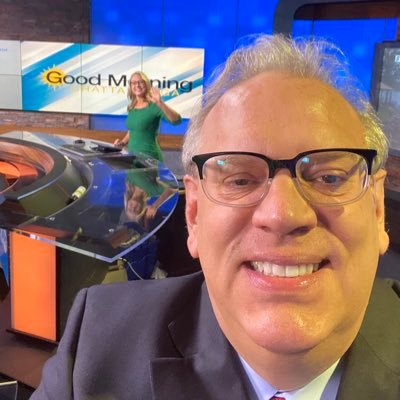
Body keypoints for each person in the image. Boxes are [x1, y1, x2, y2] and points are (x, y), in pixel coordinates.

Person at [31, 34, 399, 399]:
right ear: (193, 214)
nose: (283, 214)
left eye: (328, 178)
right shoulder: (97, 346)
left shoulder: (156, 106)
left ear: (377, 208)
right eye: (240, 180)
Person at [114, 71, 182, 161]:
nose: (137, 85)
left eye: (141, 82)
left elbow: (177, 121)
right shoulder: (132, 106)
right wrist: (122, 142)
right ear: (130, 86)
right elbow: (133, 131)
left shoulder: (154, 105)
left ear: (146, 84)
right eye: (134, 83)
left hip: (150, 159)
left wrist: (160, 103)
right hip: (133, 158)